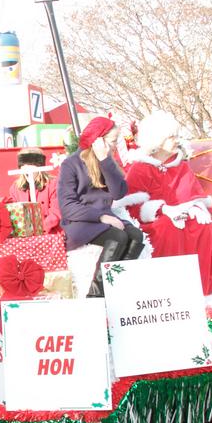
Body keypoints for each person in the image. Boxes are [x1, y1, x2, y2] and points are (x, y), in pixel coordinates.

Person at [125, 111, 212, 299]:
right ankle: (174, 292)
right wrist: (163, 210)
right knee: (167, 228)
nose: (177, 140)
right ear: (158, 140)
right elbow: (134, 206)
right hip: (154, 222)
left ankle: (210, 291)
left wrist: (195, 207)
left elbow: (193, 193)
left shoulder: (180, 165)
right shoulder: (140, 168)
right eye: (172, 137)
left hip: (183, 217)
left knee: (207, 229)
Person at [58, 116, 146, 297]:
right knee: (118, 237)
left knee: (136, 235)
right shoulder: (71, 164)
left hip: (105, 218)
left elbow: (119, 193)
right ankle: (96, 294)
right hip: (81, 221)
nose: (115, 145)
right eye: (113, 141)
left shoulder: (106, 160)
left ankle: (117, 288)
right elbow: (67, 207)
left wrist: (105, 160)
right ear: (98, 140)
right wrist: (101, 217)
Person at [3, 147, 63, 235]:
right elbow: (14, 212)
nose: (28, 171)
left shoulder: (52, 184)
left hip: (51, 233)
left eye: (31, 166)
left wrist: (41, 228)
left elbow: (56, 212)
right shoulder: (15, 188)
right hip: (26, 234)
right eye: (24, 167)